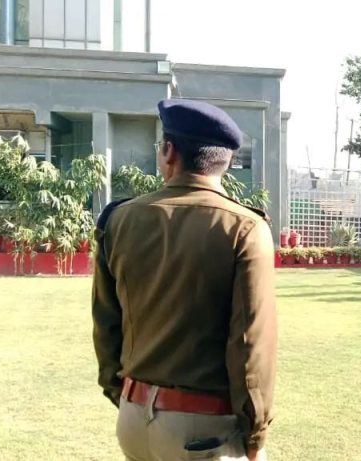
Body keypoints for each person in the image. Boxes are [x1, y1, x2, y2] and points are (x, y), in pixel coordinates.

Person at [92, 99, 277, 461]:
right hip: (204, 428)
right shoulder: (244, 228)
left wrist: (124, 395)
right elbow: (249, 343)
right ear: (226, 161)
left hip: (133, 416)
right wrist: (256, 432)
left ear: (169, 152)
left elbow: (106, 322)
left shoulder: (118, 220)